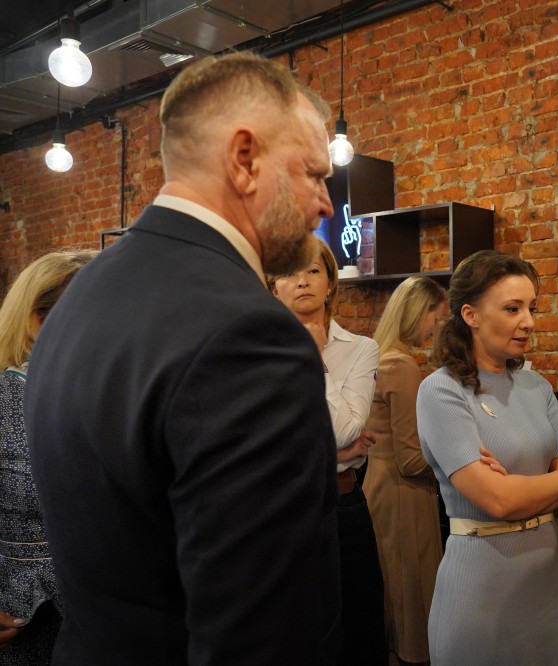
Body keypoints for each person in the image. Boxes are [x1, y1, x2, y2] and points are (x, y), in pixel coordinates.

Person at [24, 53, 341, 664]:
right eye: (312, 173)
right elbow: (258, 638)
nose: (325, 204)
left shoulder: (82, 292)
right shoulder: (250, 334)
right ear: (244, 159)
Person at [416, 250, 558, 666]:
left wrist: (520, 486)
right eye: (513, 309)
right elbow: (499, 501)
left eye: (532, 308)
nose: (528, 321)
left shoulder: (536, 386)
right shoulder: (442, 391)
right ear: (471, 315)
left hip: (545, 579)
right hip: (482, 583)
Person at [270, 239, 386, 665]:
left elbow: (342, 431)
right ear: (273, 287)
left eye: (313, 271)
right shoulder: (255, 352)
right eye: (289, 272)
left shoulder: (360, 348)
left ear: (331, 282)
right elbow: (259, 445)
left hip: (341, 505)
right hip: (278, 509)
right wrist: (332, 454)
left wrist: (314, 358)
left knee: (357, 630)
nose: (302, 281)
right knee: (295, 635)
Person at [0, 250, 94, 664]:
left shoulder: (114, 397)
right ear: (38, 321)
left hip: (109, 620)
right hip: (24, 623)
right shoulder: (6, 400)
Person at [362, 276, 448, 666]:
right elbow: (411, 460)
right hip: (403, 495)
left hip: (379, 487)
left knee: (390, 593)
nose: (435, 328)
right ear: (417, 313)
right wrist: (456, 461)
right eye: (435, 317)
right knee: (408, 598)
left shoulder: (378, 358)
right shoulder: (401, 366)